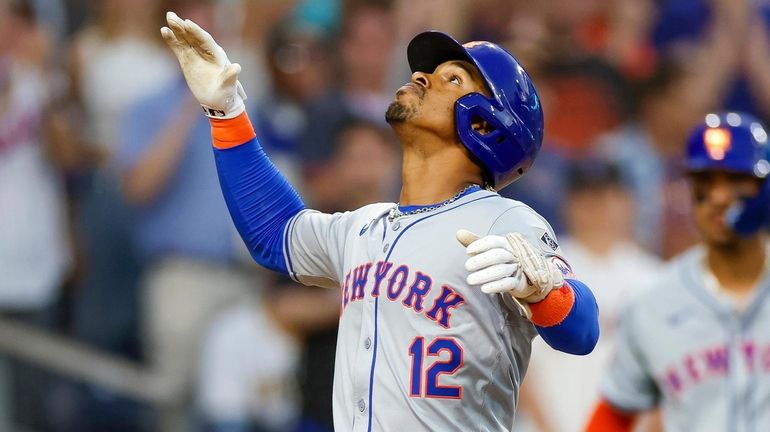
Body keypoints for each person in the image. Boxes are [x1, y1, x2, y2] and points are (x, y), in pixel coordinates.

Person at [161, 11, 600, 431]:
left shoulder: (504, 221)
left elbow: (582, 332)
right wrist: (227, 114)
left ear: (485, 126)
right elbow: (276, 235)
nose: (420, 76)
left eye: (452, 79)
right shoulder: (365, 225)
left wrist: (545, 291)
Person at [586, 112, 770, 431]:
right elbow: (615, 412)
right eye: (705, 181)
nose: (718, 197)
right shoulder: (653, 303)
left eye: (736, 179)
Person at [517, 160, 662, 432]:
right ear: (569, 203)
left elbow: (664, 370)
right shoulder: (542, 266)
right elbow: (520, 363)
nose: (599, 207)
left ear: (629, 202)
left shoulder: (653, 278)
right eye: (588, 197)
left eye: (609, 196)